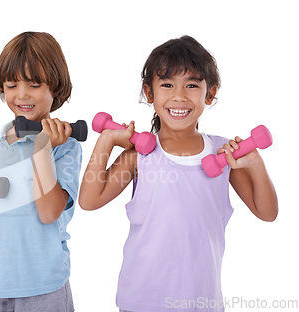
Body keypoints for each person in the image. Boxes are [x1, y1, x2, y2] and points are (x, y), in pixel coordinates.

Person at [79, 35, 278, 312]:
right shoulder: (138, 156)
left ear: (210, 93)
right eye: (167, 84)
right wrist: (106, 141)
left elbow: (267, 213)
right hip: (140, 302)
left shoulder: (224, 154)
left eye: (192, 85)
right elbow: (89, 201)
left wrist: (255, 163)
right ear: (150, 93)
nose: (179, 96)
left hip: (202, 302)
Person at [0, 31, 81, 312]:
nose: (21, 95)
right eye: (11, 85)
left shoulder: (66, 147)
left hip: (43, 285)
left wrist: (42, 148)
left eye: (34, 84)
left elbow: (49, 213)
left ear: (55, 89)